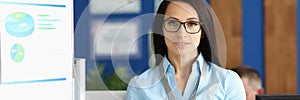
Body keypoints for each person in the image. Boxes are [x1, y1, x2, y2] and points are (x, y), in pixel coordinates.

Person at [126, 0, 246, 99]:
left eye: (192, 23)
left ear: (202, 31)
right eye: (172, 23)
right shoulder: (140, 85)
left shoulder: (228, 81)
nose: (181, 33)